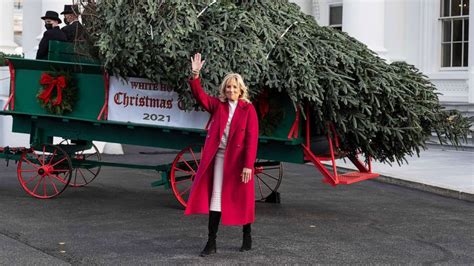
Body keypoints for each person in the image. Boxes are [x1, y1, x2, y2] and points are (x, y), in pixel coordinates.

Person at [184, 53, 259, 257]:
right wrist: (196, 73)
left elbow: (252, 139)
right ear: (224, 90)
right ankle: (211, 242)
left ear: (241, 89)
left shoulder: (248, 109)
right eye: (228, 87)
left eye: (235, 87)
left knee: (243, 197)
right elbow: (199, 95)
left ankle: (247, 234)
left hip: (240, 161)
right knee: (215, 197)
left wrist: (248, 165)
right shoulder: (218, 106)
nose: (231, 90)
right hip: (219, 157)